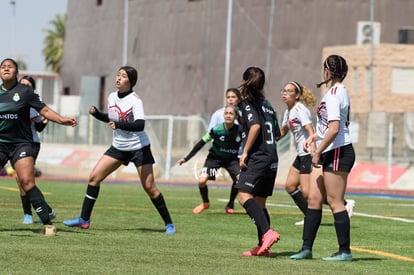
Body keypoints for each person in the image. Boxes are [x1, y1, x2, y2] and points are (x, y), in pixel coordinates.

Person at [63, 65, 176, 235]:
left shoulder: (135, 100)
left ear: (131, 82)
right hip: (119, 147)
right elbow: (112, 118)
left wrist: (119, 124)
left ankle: (169, 224)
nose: (118, 78)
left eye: (123, 76)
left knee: (149, 187)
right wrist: (97, 114)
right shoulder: (111, 97)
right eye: (117, 75)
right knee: (94, 178)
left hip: (139, 148)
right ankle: (84, 220)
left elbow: (140, 124)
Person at [0, 58, 77, 236]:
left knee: (27, 181)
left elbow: (45, 111)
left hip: (21, 144)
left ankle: (48, 224)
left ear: (16, 73)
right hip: (1, 144)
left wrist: (63, 120)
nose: (5, 68)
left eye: (10, 67)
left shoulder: (25, 92)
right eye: (3, 66)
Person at [290, 54, 356, 261]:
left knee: (335, 201)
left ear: (328, 70)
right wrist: (314, 137)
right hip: (329, 149)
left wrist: (317, 151)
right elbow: (328, 126)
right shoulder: (332, 92)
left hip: (337, 151)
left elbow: (335, 129)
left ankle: (344, 251)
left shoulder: (336, 93)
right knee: (313, 198)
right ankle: (306, 248)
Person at [235, 66, 281, 257]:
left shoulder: (247, 103)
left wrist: (245, 152)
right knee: (260, 204)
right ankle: (263, 247)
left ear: (245, 81)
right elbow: (277, 134)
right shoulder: (268, 104)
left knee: (243, 195)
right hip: (271, 156)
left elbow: (254, 126)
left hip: (258, 157)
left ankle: (268, 233)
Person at [178, 105, 241, 214]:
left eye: (231, 114)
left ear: (236, 117)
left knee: (240, 180)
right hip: (214, 159)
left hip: (231, 160)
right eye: (226, 113)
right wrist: (186, 158)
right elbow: (201, 143)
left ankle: (230, 203)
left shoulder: (240, 130)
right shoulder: (216, 130)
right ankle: (205, 203)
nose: (228, 116)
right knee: (202, 181)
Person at [278, 81, 316, 226]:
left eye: (289, 91)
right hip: (300, 154)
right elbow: (283, 131)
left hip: (307, 153)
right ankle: (309, 216)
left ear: (297, 95)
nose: (285, 94)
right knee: (290, 186)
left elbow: (310, 130)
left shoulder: (300, 109)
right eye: (284, 90)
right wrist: (269, 141)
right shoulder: (288, 111)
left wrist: (313, 149)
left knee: (306, 192)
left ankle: (342, 203)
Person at [18, 75, 55, 224]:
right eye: (22, 85)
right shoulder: (11, 101)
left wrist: (45, 120)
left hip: (31, 143)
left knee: (23, 179)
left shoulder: (35, 104)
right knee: (23, 180)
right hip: (15, 143)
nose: (24, 87)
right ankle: (48, 211)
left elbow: (38, 128)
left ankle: (28, 214)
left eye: (28, 85)